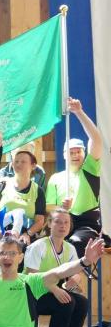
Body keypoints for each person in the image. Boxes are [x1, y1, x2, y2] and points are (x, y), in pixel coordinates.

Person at [24, 208, 92, 327]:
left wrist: (75, 278)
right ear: (49, 224)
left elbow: (77, 271)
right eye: (58, 222)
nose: (63, 226)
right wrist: (55, 289)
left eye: (66, 222)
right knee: (66, 301)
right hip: (31, 295)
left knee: (82, 302)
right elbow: (31, 276)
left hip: (52, 292)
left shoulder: (70, 248)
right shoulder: (38, 246)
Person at [62, 98, 104, 256]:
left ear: (84, 153)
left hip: (87, 225)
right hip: (63, 222)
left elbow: (96, 140)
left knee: (76, 243)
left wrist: (79, 112)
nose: (75, 155)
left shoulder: (89, 169)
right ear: (64, 155)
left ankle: (78, 271)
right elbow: (50, 209)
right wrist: (62, 208)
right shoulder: (56, 179)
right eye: (71, 152)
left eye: (78, 151)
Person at [0, 149, 46, 243]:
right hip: (2, 234)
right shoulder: (2, 184)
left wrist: (27, 234)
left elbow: (39, 221)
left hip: (25, 236)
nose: (19, 164)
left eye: (23, 162)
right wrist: (0, 229)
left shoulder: (38, 191)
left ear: (33, 166)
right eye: (16, 161)